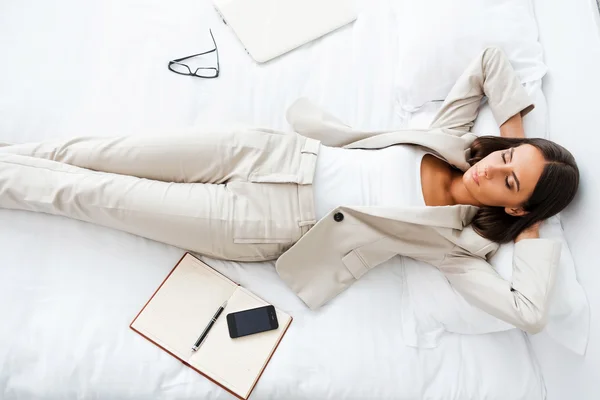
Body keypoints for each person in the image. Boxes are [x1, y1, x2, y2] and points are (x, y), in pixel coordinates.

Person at [0, 47, 579, 334]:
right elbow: (488, 61)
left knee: (92, 195)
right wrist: (518, 144)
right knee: (99, 153)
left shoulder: (455, 247)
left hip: (259, 220)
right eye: (503, 160)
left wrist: (529, 228)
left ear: (516, 203)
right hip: (267, 151)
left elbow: (528, 314)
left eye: (507, 181)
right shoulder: (453, 138)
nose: (491, 170)